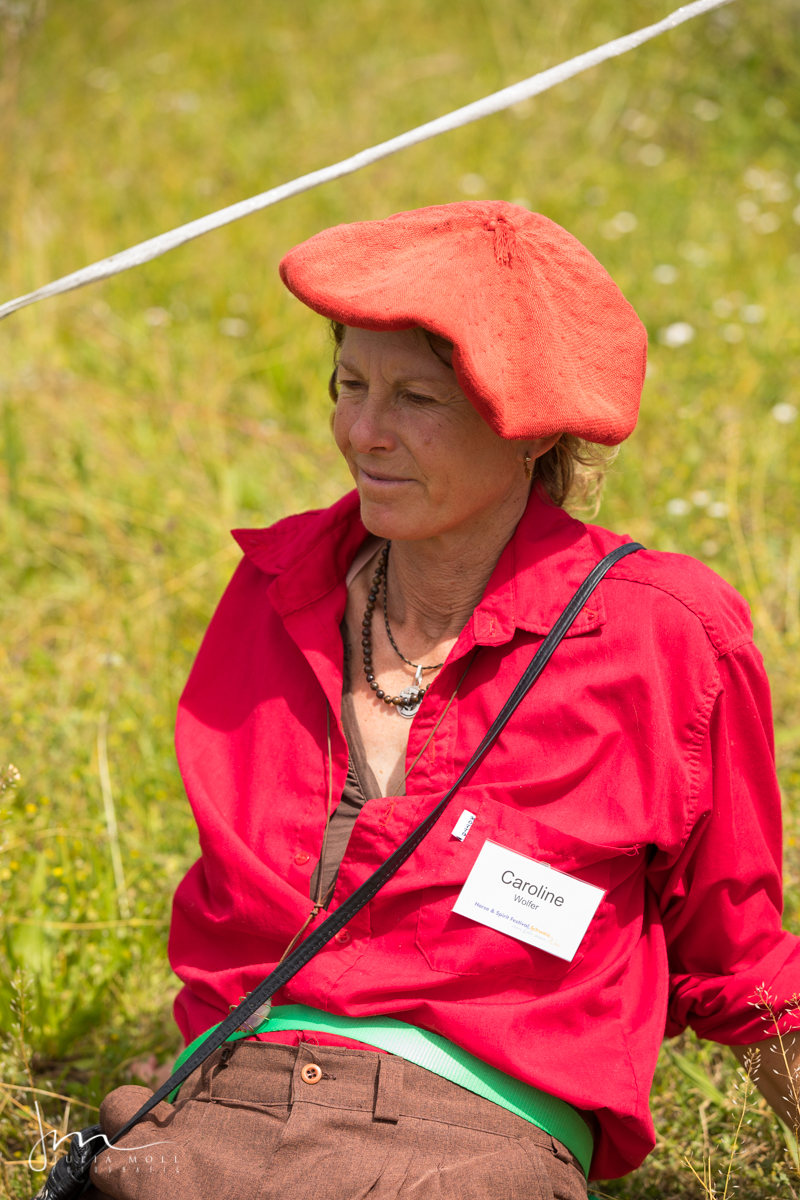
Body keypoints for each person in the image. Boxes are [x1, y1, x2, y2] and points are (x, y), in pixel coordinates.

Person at [83, 202, 800, 1199]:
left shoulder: (660, 635)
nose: (362, 433)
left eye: (415, 397)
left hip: (469, 1144)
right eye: (349, 385)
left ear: (529, 430)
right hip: (218, 1114)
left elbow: (740, 961)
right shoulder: (275, 589)